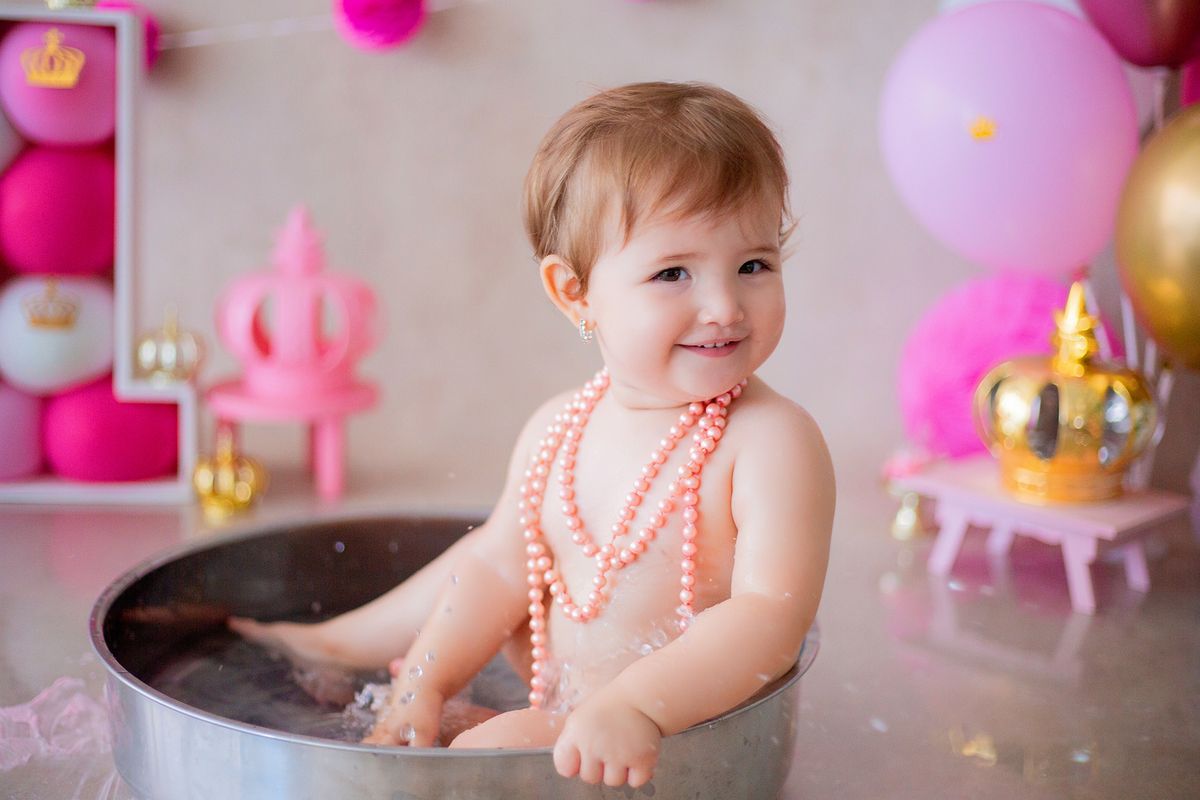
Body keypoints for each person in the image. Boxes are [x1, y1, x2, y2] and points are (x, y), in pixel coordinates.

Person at [231, 81, 834, 789]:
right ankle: (349, 654)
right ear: (574, 294)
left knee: (486, 755)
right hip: (560, 705)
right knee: (430, 709)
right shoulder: (559, 427)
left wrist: (633, 707)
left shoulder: (771, 442)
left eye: (754, 265)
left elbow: (770, 618)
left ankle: (381, 675)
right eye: (673, 273)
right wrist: (423, 682)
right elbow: (495, 571)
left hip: (668, 728)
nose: (724, 306)